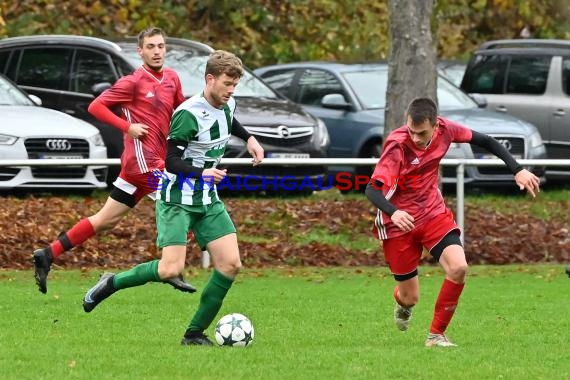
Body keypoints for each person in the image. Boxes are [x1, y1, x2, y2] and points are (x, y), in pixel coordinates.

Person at [81, 50, 264, 346]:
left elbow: (229, 120)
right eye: (227, 84)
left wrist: (251, 139)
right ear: (209, 79)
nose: (231, 90)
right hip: (177, 199)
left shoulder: (228, 104)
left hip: (207, 200)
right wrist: (202, 174)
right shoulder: (187, 115)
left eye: (235, 85)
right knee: (170, 269)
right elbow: (171, 162)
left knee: (231, 264)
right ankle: (111, 282)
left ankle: (193, 334)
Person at [365, 98, 540, 347]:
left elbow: (486, 141)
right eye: (411, 131)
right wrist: (394, 212)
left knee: (458, 267)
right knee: (410, 296)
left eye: (421, 133)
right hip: (399, 223)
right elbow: (372, 190)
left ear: (436, 126)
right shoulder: (397, 145)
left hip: (433, 214)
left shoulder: (447, 130)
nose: (414, 137)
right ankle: (402, 301)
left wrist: (518, 169)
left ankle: (436, 336)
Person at [32, 27, 195, 294]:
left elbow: (180, 111)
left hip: (147, 166)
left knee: (105, 220)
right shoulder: (133, 82)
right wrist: (127, 127)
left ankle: (48, 253)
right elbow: (96, 106)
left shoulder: (172, 79)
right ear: (140, 51)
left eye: (161, 46)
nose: (156, 51)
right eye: (151, 47)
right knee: (180, 198)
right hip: (142, 163)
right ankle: (171, 268)